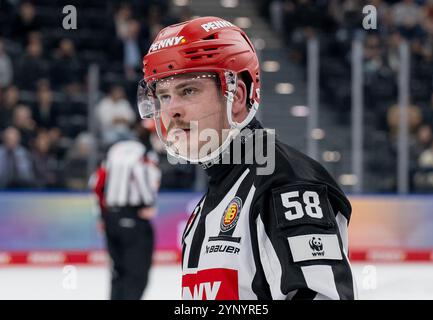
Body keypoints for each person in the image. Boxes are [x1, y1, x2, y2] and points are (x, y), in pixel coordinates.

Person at [137, 16, 355, 300]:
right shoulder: (214, 196)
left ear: (237, 97)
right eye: (164, 96)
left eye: (188, 90)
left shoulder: (286, 183)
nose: (171, 110)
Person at [91, 128, 161, 300]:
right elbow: (145, 178)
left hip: (112, 218)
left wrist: (102, 215)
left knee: (118, 271)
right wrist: (149, 203)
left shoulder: (113, 151)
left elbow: (97, 183)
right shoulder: (144, 153)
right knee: (137, 274)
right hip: (134, 217)